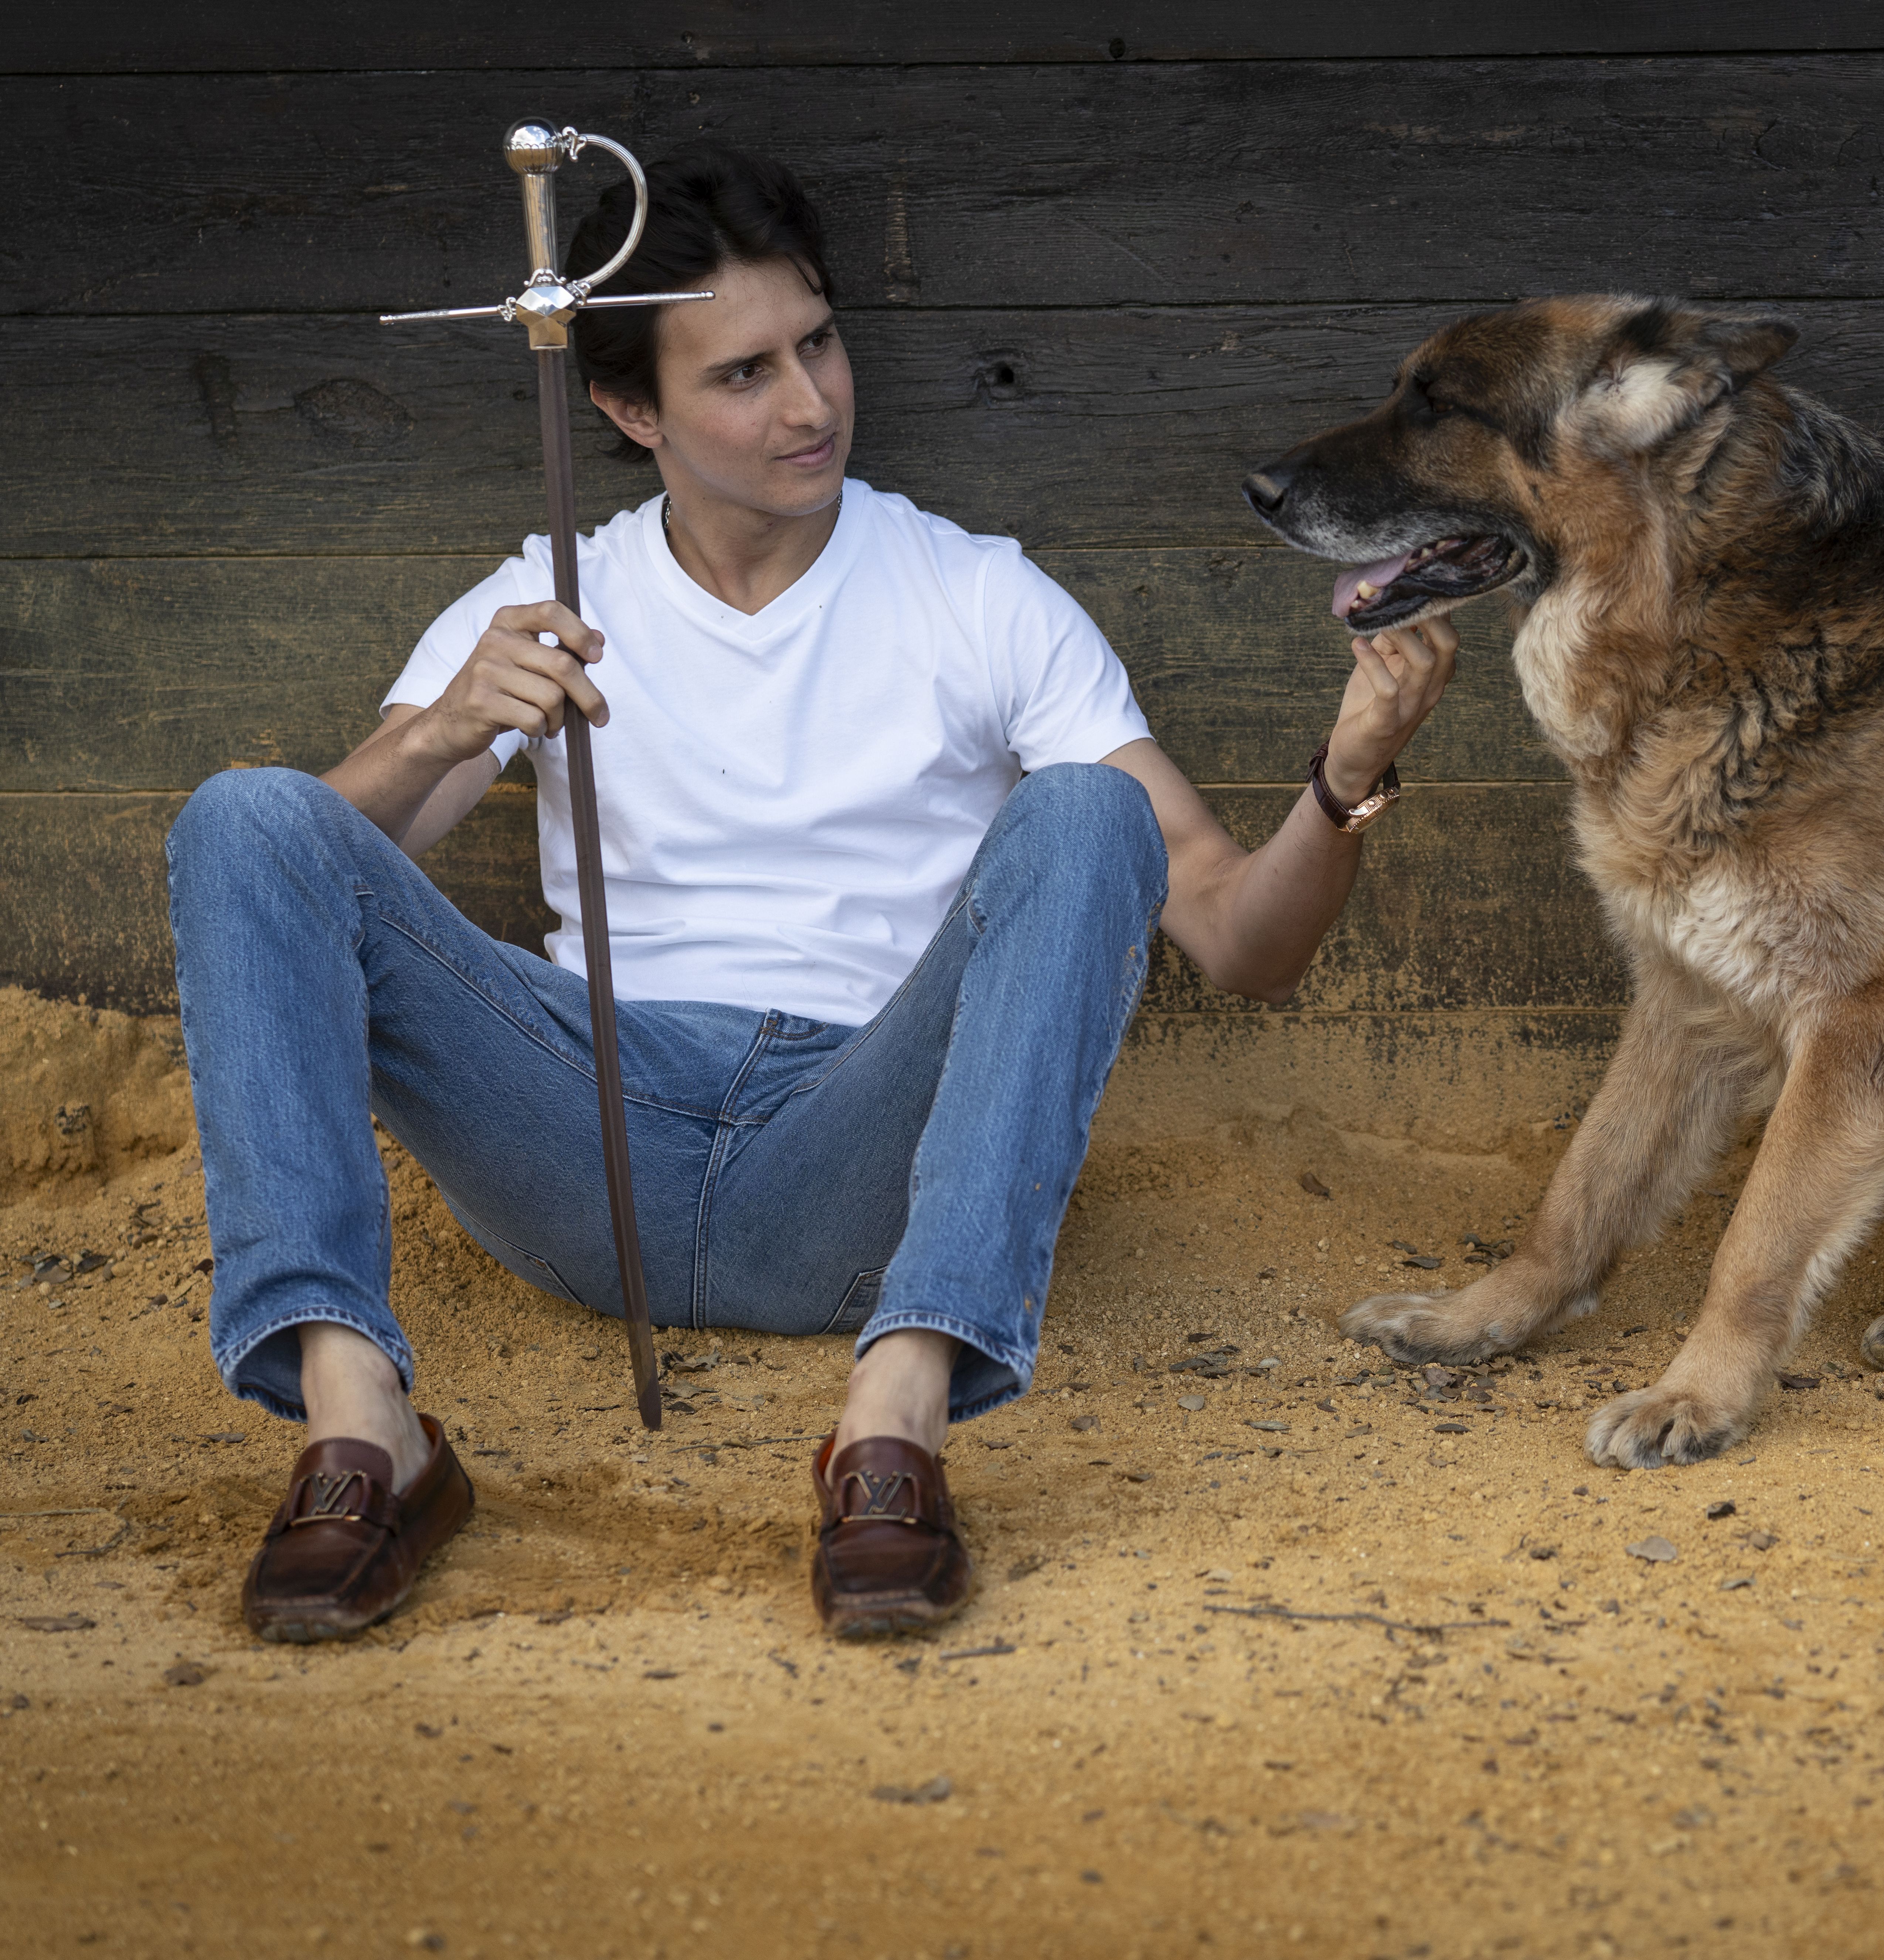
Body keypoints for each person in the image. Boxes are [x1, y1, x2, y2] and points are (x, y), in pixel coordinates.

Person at [164, 142, 1453, 1643]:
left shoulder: (975, 595)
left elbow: (1239, 941)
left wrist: (1342, 782)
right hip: (584, 1148)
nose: (810, 403)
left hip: (860, 1156)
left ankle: (893, 1421)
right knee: (246, 817)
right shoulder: (553, 592)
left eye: (819, 345)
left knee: (1089, 808)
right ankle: (361, 1427)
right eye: (743, 375)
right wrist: (445, 728)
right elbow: (300, 882)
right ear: (630, 410)